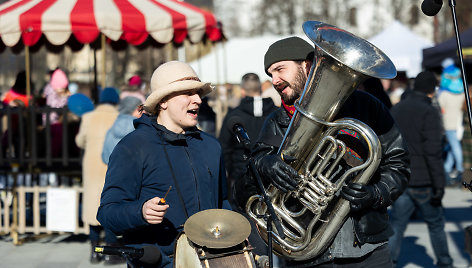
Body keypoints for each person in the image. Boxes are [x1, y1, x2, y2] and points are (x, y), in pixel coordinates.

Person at [233, 36, 410, 267]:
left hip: (367, 249)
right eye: (270, 74)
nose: (274, 80)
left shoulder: (367, 106)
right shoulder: (276, 121)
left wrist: (376, 193)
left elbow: (398, 164)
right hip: (307, 252)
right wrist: (262, 165)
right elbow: (246, 192)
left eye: (279, 69)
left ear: (307, 65)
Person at [97, 61, 231, 268]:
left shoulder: (211, 146)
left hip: (211, 261)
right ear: (163, 101)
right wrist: (140, 212)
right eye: (187, 93)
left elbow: (223, 202)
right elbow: (107, 213)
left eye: (198, 93)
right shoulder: (132, 147)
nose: (197, 99)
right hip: (157, 262)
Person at [388, 71, 454, 268]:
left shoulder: (397, 109)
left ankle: (389, 263)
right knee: (435, 225)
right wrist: (440, 185)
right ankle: (444, 262)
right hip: (424, 179)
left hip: (401, 177)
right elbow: (433, 152)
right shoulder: (429, 111)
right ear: (431, 90)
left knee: (397, 226)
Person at [75, 87, 123, 265]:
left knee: (91, 208)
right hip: (111, 165)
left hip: (91, 166)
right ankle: (111, 252)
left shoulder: (88, 117)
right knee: (109, 204)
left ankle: (94, 253)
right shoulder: (118, 117)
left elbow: (80, 140)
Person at [219, 72, 277, 203]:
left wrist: (230, 176)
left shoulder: (233, 116)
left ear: (242, 91)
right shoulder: (276, 113)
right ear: (261, 89)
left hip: (242, 179)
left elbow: (224, 148)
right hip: (272, 177)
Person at [438, 58, 465, 186]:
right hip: (459, 123)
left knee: (454, 146)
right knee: (452, 146)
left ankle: (460, 169)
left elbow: (440, 107)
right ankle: (447, 168)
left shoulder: (443, 93)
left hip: (448, 123)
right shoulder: (462, 90)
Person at [101, 96, 142, 164]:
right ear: (135, 110)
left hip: (114, 171)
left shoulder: (112, 128)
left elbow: (105, 157)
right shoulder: (140, 128)